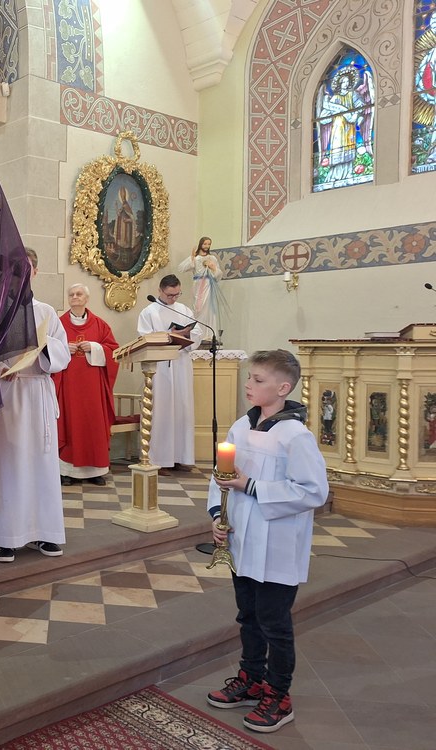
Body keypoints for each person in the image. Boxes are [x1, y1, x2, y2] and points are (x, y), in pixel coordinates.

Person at [205, 349, 328, 733]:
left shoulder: (295, 435)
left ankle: (279, 695)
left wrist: (252, 486)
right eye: (249, 377)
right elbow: (221, 474)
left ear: (283, 388)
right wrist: (218, 515)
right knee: (248, 616)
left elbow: (313, 490)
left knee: (275, 623)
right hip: (242, 539)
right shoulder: (241, 426)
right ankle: (252, 679)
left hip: (277, 544)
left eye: (258, 379)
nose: (248, 384)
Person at [0, 248, 71, 563]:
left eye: (26, 268)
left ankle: (45, 533)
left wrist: (43, 346)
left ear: (35, 272)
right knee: (8, 466)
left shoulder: (46, 312)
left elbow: (62, 353)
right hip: (8, 395)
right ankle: (7, 537)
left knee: (41, 466)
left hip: (37, 393)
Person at [53, 283, 119, 487]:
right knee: (69, 424)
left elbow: (113, 351)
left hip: (93, 387)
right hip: (68, 386)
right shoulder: (58, 324)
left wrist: (95, 347)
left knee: (93, 425)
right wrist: (64, 349)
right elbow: (47, 349)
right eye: (71, 294)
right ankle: (67, 472)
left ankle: (96, 471)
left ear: (86, 298)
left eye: (79, 294)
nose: (75, 297)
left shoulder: (100, 325)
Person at [137, 274, 203, 472]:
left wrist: (187, 334)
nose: (173, 299)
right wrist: (170, 335)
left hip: (181, 364)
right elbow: (144, 337)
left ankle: (181, 456)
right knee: (162, 411)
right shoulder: (149, 312)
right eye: (169, 295)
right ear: (160, 291)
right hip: (160, 367)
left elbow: (197, 333)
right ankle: (159, 458)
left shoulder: (184, 310)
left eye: (177, 294)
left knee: (182, 408)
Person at [179, 236, 224, 343]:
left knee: (209, 309)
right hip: (198, 285)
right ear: (201, 244)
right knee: (198, 309)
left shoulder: (212, 258)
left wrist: (213, 267)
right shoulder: (196, 258)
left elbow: (218, 275)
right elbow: (182, 268)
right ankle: (198, 334)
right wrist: (192, 256)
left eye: (209, 244)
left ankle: (209, 334)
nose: (207, 246)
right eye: (205, 244)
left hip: (208, 285)